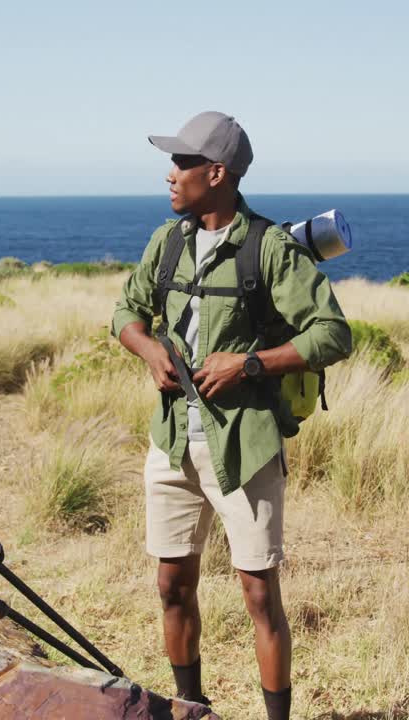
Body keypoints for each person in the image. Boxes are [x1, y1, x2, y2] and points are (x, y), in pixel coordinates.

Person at [112, 111, 351, 719]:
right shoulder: (166, 242)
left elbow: (333, 334)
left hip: (244, 447)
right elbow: (126, 313)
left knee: (258, 594)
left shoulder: (269, 249)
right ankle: (191, 710)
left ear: (216, 173)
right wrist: (148, 350)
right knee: (171, 586)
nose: (171, 175)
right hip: (170, 444)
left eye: (184, 164)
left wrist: (249, 366)